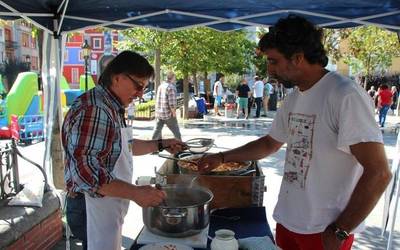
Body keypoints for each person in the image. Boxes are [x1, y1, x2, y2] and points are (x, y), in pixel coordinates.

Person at [197, 15, 391, 250]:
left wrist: (340, 229)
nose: (269, 69)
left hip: (324, 230)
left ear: (298, 58)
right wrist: (222, 158)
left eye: (274, 61)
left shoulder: (344, 95)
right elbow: (270, 143)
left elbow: (379, 172)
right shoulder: (294, 97)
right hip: (289, 222)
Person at [62, 51, 185, 250]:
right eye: (138, 86)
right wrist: (135, 193)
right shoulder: (95, 109)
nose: (140, 94)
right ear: (117, 77)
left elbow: (124, 146)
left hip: (105, 203)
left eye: (144, 88)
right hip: (90, 205)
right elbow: (86, 172)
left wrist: (161, 143)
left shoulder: (111, 105)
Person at [152, 71, 182, 140]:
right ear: (173, 78)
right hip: (168, 114)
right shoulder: (171, 87)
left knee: (157, 132)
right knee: (176, 131)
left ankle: (154, 146)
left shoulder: (161, 86)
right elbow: (172, 103)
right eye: (174, 77)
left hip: (159, 113)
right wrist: (174, 113)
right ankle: (180, 145)